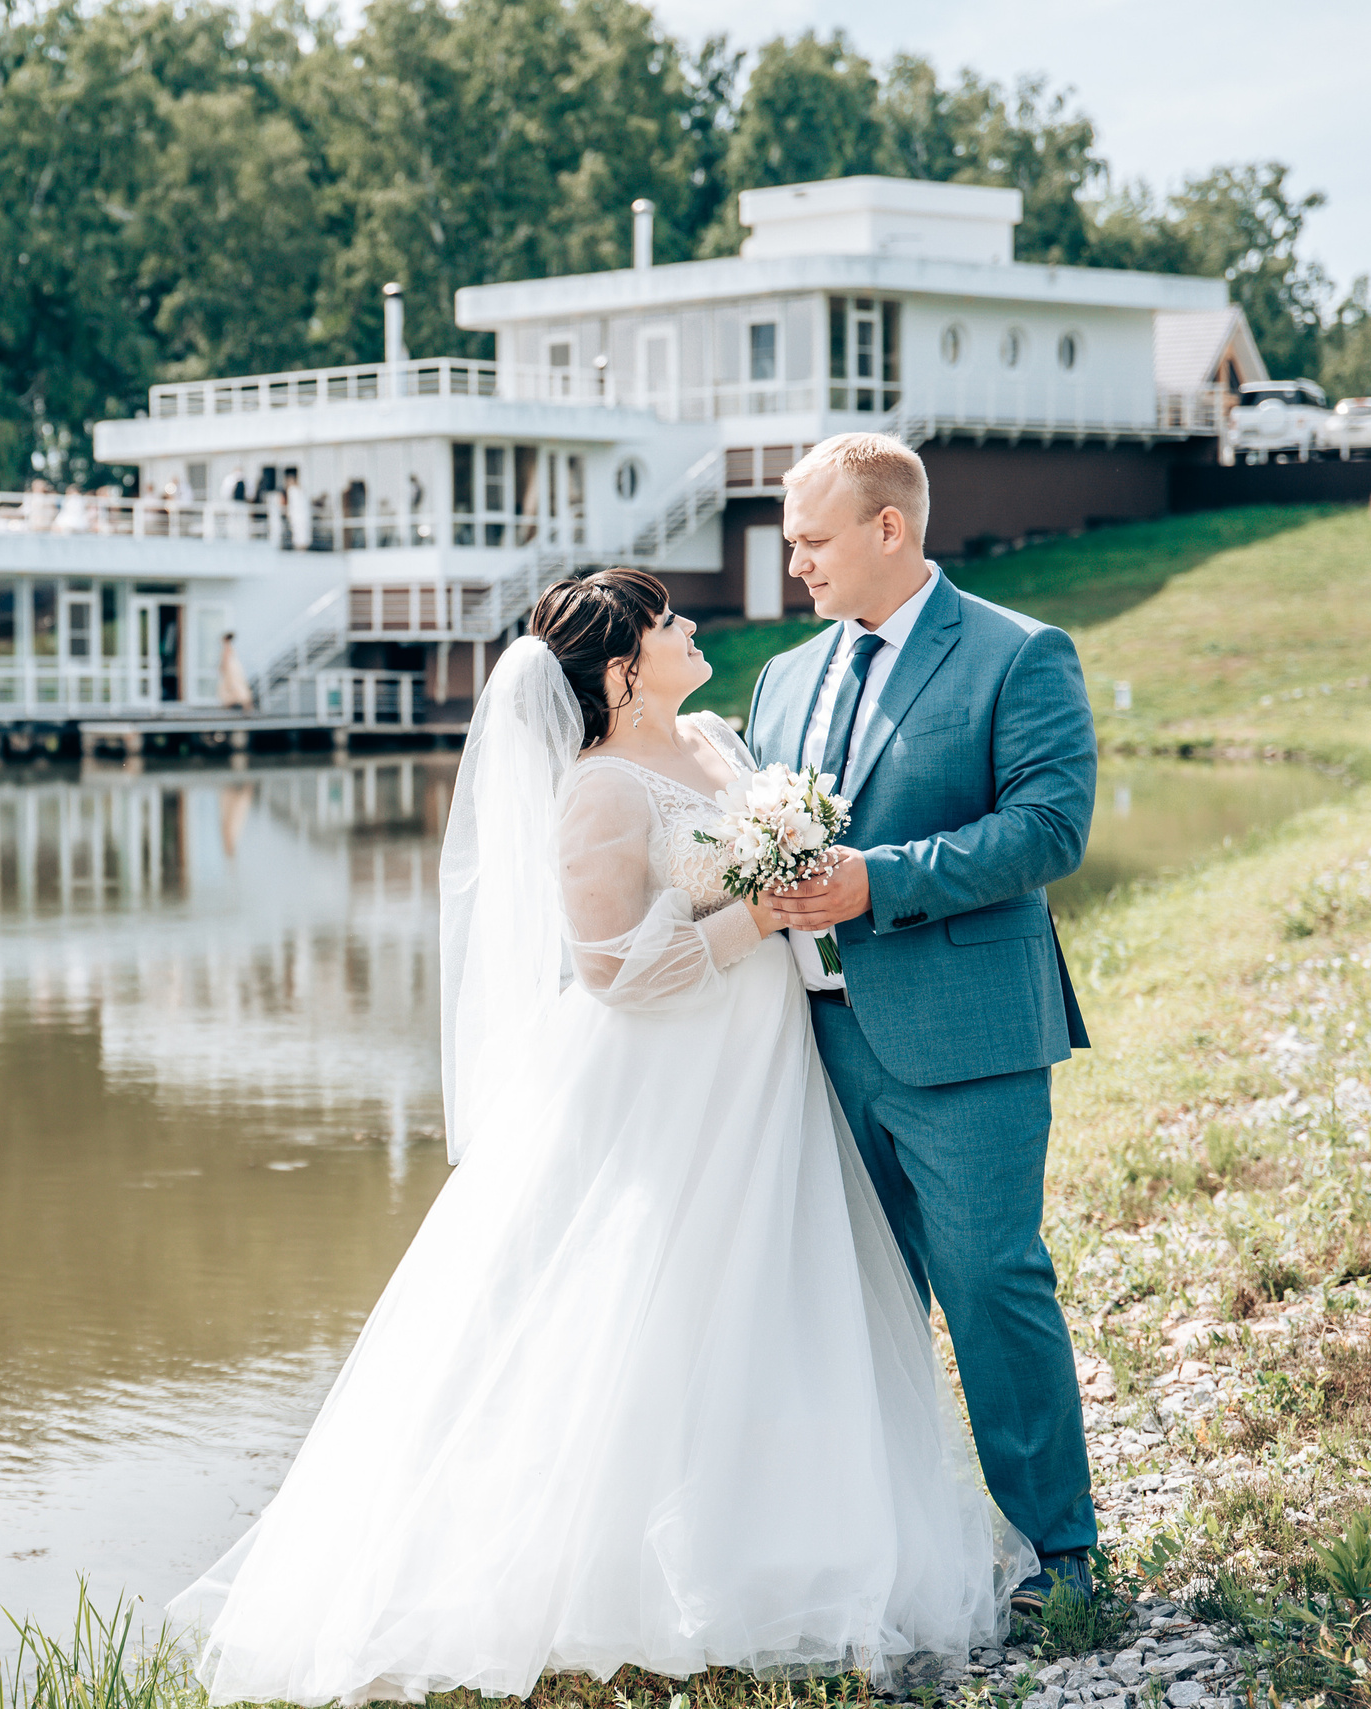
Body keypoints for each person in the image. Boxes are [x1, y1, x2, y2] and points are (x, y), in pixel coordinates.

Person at [170, 564, 1032, 1704]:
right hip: (668, 1068)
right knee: (653, 1294)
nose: (689, 626)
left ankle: (790, 1542)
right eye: (667, 621)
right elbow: (612, 970)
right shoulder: (597, 790)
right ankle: (615, 1574)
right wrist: (754, 918)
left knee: (775, 1282)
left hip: (768, 1057)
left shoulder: (719, 740)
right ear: (621, 668)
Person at [745, 432, 1098, 1615]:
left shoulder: (1018, 653)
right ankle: (889, 1560)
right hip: (811, 1043)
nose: (793, 561)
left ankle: (1060, 1553)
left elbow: (1050, 827)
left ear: (886, 528)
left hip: (966, 1037)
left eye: (811, 538)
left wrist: (876, 879)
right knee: (852, 1300)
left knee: (992, 1283)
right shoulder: (781, 678)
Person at [215, 632, 253, 713]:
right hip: (234, 668)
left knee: (234, 685)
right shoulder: (229, 646)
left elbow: (225, 659)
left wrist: (222, 668)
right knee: (232, 685)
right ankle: (233, 703)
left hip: (230, 669)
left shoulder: (226, 647)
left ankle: (245, 704)